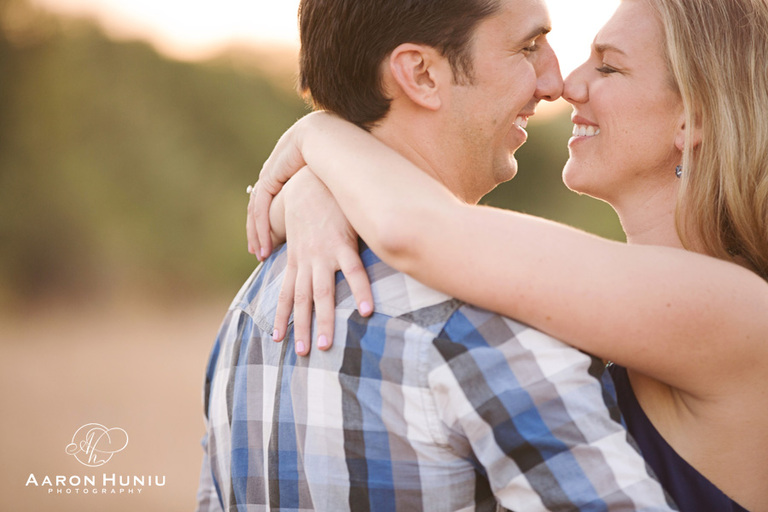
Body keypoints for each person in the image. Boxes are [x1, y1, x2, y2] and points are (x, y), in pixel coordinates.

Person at [247, 0, 768, 510]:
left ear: (692, 117)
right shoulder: (621, 300)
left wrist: (320, 133)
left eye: (609, 67)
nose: (568, 84)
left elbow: (417, 229)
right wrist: (311, 189)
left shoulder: (736, 308)